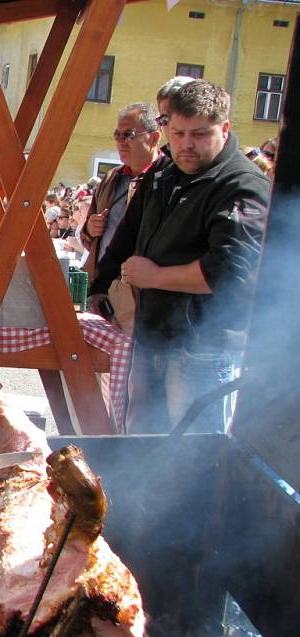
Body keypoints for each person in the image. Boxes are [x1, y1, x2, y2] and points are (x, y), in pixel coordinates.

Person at [87, 80, 269, 434]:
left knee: (195, 453)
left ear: (224, 129)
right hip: (152, 335)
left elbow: (230, 273)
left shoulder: (242, 185)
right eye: (179, 132)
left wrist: (154, 277)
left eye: (199, 134)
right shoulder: (164, 174)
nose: (186, 144)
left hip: (203, 348)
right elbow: (128, 233)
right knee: (142, 442)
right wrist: (99, 286)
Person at [80, 102, 166, 335]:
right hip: (103, 285)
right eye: (117, 135)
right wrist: (90, 228)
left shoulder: (165, 179)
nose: (120, 141)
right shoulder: (111, 179)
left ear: (154, 137)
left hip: (137, 294)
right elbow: (87, 238)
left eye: (128, 134)